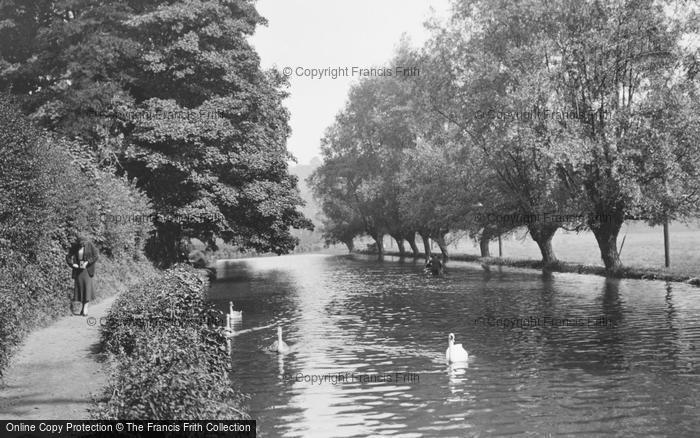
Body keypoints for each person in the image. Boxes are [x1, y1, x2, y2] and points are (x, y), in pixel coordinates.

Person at [65, 234, 99, 316]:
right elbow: (68, 256)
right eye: (81, 243)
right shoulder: (75, 246)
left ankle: (85, 309)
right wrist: (73, 264)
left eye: (84, 243)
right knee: (81, 289)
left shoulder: (90, 245)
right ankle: (82, 308)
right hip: (78, 270)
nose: (83, 245)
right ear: (78, 242)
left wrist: (88, 262)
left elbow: (96, 256)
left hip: (87, 270)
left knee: (87, 288)